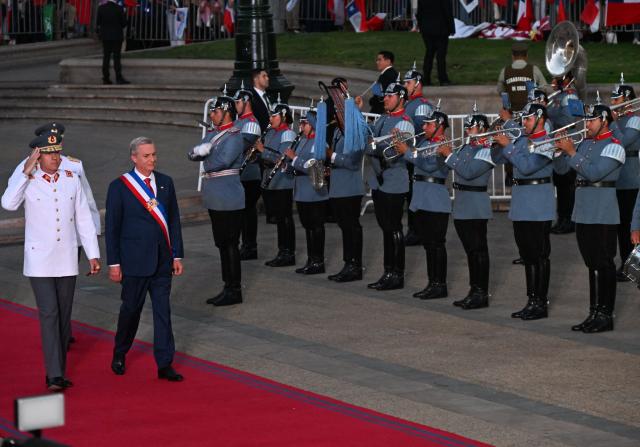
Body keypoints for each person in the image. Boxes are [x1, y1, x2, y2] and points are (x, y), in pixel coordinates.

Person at [2, 131, 100, 391]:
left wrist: (93, 254)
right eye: (49, 154)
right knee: (49, 313)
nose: (56, 158)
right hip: (39, 260)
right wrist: (25, 171)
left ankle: (59, 369)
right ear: (38, 155)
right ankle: (54, 375)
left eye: (57, 152)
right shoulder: (28, 179)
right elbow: (8, 203)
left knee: (63, 315)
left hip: (66, 257)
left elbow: (83, 219)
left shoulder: (71, 179)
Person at [106, 137, 184, 381]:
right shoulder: (119, 187)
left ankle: (164, 363)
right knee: (130, 311)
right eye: (146, 156)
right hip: (134, 262)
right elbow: (112, 228)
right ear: (134, 158)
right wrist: (114, 263)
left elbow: (173, 222)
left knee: (163, 312)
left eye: (154, 155)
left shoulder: (165, 183)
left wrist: (177, 255)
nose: (152, 160)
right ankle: (120, 352)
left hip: (162, 261)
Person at [554, 102, 625, 333]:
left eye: (591, 120)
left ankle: (605, 314)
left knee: (604, 263)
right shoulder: (585, 143)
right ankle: (594, 312)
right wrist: (560, 151)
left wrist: (572, 152)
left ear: (604, 120)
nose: (587, 124)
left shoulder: (614, 146)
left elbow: (595, 173)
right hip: (583, 211)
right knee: (591, 264)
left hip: (602, 212)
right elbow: (564, 171)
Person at [493, 102, 555, 321]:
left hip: (538, 205)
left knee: (539, 255)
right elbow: (497, 159)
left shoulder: (547, 142)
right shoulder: (520, 140)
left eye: (528, 119)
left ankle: (541, 302)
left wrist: (508, 146)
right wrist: (494, 142)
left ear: (540, 119)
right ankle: (531, 300)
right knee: (527, 256)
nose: (524, 123)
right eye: (524, 119)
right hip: (520, 204)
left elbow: (528, 167)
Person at [188, 95, 244, 306]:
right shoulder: (213, 134)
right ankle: (226, 286)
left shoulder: (234, 135)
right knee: (221, 243)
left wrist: (205, 154)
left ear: (226, 112)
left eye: (215, 111)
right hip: (216, 197)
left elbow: (220, 162)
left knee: (230, 244)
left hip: (228, 197)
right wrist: (199, 153)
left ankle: (234, 289)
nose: (212, 115)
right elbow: (191, 154)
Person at [439, 112, 496, 309]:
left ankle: (481, 292)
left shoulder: (487, 149)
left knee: (479, 250)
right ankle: (474, 289)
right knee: (470, 251)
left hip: (476, 204)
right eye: (466, 127)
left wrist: (448, 155)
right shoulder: (465, 146)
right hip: (462, 203)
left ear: (482, 129)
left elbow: (469, 172)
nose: (466, 131)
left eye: (470, 127)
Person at [394, 104, 450, 299]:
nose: (424, 127)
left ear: (439, 125)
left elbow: (430, 165)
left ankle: (439, 284)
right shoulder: (425, 143)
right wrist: (400, 140)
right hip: (422, 199)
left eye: (428, 124)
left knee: (436, 244)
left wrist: (407, 152)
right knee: (428, 244)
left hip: (435, 201)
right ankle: (432, 282)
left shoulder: (442, 145)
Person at [365, 81, 414, 291]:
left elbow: (391, 150)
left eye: (390, 96)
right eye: (385, 96)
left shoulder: (404, 122)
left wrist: (374, 144)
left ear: (401, 98)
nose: (385, 99)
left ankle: (397, 273)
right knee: (385, 228)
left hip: (394, 181)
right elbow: (371, 144)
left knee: (394, 228)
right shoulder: (384, 119)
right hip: (379, 180)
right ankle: (387, 271)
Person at [283, 104, 330, 274]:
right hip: (302, 189)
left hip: (314, 189)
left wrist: (294, 159)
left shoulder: (319, 143)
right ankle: (311, 260)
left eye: (305, 124)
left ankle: (318, 261)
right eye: (301, 124)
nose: (301, 127)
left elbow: (313, 166)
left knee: (316, 227)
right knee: (308, 226)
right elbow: (296, 164)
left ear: (313, 124)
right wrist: (286, 165)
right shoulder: (302, 140)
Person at [326, 84, 365, 283]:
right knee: (344, 226)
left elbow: (352, 162)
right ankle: (347, 263)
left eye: (340, 110)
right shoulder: (338, 132)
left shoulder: (356, 131)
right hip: (338, 187)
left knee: (351, 227)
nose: (337, 113)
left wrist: (331, 156)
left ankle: (355, 265)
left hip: (350, 187)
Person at [256, 98, 297, 267]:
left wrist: (262, 151)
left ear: (283, 116)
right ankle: (282, 250)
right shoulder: (271, 132)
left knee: (285, 217)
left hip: (283, 181)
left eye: (274, 116)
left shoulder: (287, 133)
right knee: (279, 218)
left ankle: (288, 253)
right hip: (271, 180)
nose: (270, 119)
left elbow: (283, 159)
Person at [609, 78, 640, 281]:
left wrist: (611, 122)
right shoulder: (618, 119)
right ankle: (625, 263)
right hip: (617, 178)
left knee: (631, 224)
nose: (613, 103)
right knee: (620, 225)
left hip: (630, 177)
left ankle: (633, 267)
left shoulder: (635, 119)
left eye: (616, 99)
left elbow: (623, 141)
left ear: (627, 100)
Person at [402, 63, 432, 247]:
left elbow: (422, 133)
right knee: (410, 194)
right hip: (408, 155)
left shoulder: (420, 106)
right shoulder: (408, 103)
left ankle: (417, 231)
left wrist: (411, 151)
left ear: (417, 83)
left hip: (416, 156)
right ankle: (415, 229)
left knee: (415, 194)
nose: (405, 86)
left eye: (408, 83)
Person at [233, 84, 263, 260]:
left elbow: (241, 145)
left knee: (248, 212)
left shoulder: (251, 123)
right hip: (241, 173)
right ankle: (245, 244)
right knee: (243, 212)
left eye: (237, 102)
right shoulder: (239, 121)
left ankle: (250, 246)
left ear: (246, 102)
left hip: (249, 174)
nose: (235, 105)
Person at [547, 73, 580, 234]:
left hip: (569, 144)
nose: (552, 82)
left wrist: (549, 114)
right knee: (561, 184)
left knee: (567, 185)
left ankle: (569, 220)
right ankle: (562, 219)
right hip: (559, 144)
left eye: (555, 79)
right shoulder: (558, 96)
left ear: (564, 80)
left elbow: (570, 120)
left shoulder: (570, 95)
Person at [496, 41, 547, 112]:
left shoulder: (505, 71)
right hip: (530, 113)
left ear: (513, 56)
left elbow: (500, 91)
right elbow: (544, 88)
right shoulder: (534, 70)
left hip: (511, 114)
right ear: (526, 56)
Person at [416, 0, 454, 86]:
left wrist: (421, 25)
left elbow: (419, 13)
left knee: (429, 53)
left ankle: (426, 78)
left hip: (427, 28)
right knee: (441, 55)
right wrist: (451, 28)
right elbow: (447, 12)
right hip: (441, 28)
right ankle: (443, 79)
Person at [96, 0, 129, 85]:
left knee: (106, 57)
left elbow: (98, 22)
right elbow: (124, 23)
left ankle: (106, 78)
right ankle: (118, 78)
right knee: (116, 57)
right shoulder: (119, 8)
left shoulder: (101, 8)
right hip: (117, 36)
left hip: (105, 36)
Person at [363, 51, 398, 115]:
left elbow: (380, 97)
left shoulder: (386, 76)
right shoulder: (394, 73)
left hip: (381, 112)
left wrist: (372, 101)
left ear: (388, 61)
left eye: (379, 60)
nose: (377, 62)